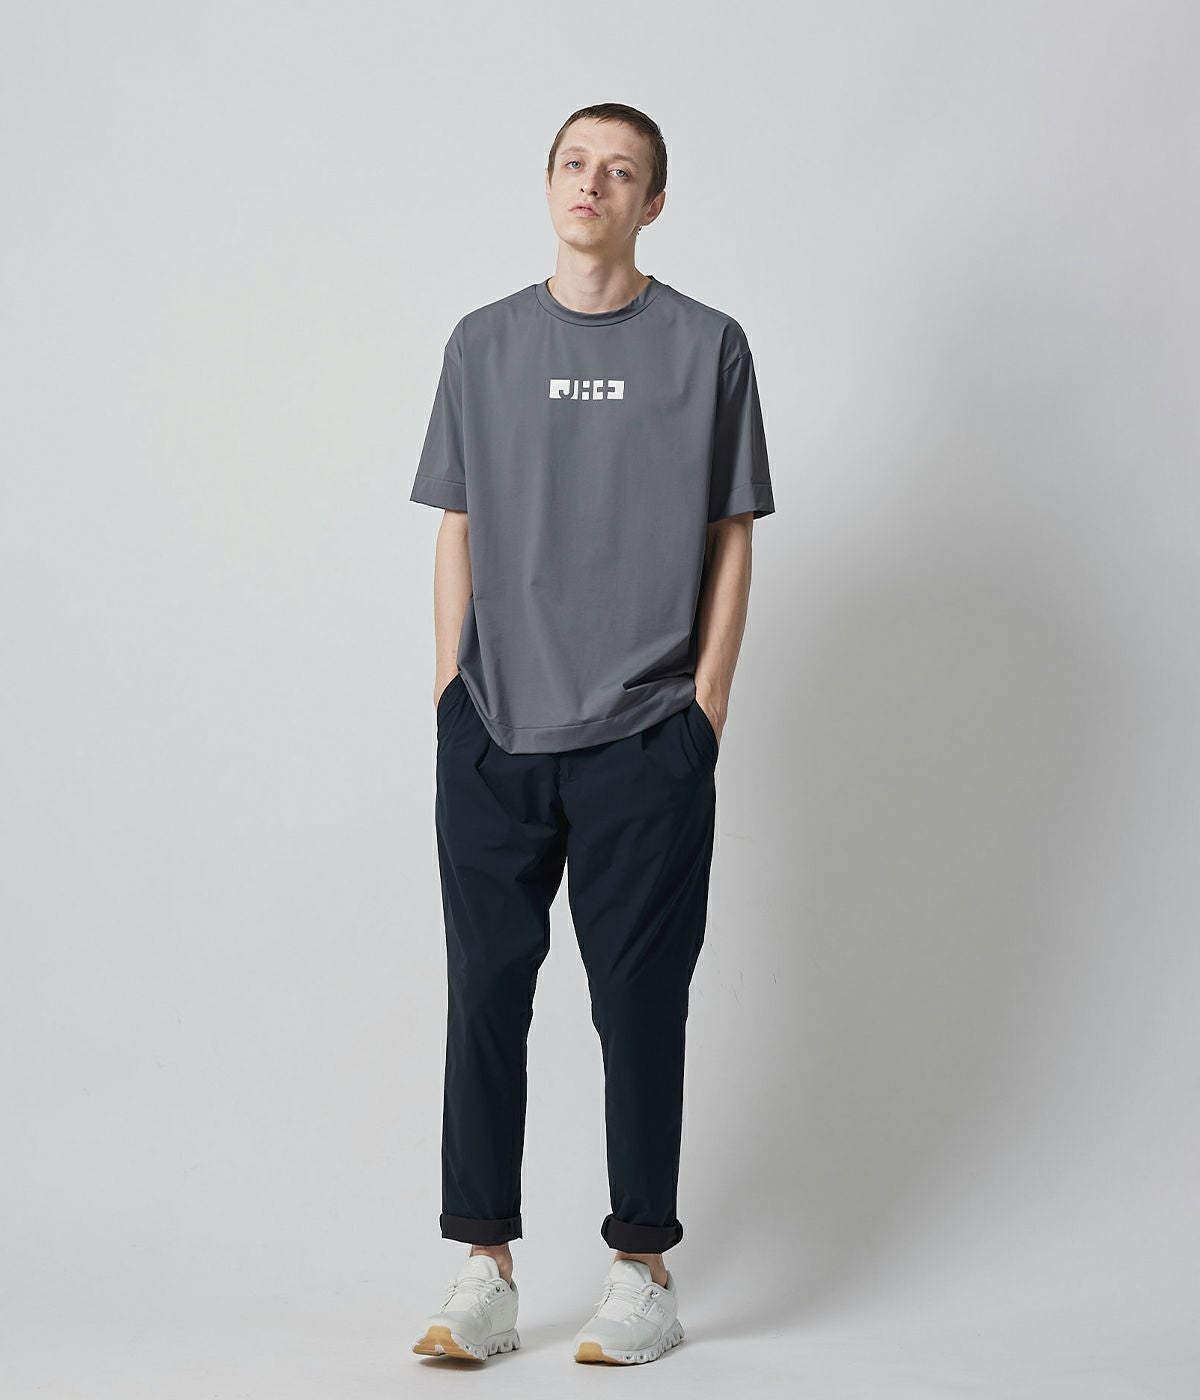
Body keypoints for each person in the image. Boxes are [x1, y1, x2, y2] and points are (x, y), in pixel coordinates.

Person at [408, 102, 776, 1367]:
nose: (592, 184)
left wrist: (704, 707)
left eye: (621, 172)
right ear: (548, 184)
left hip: (647, 732)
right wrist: (450, 694)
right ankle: (485, 1269)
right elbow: (456, 523)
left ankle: (642, 1270)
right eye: (575, 163)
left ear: (651, 203)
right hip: (496, 728)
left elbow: (733, 532)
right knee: (484, 994)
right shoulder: (484, 342)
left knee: (639, 1002)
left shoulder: (708, 346)